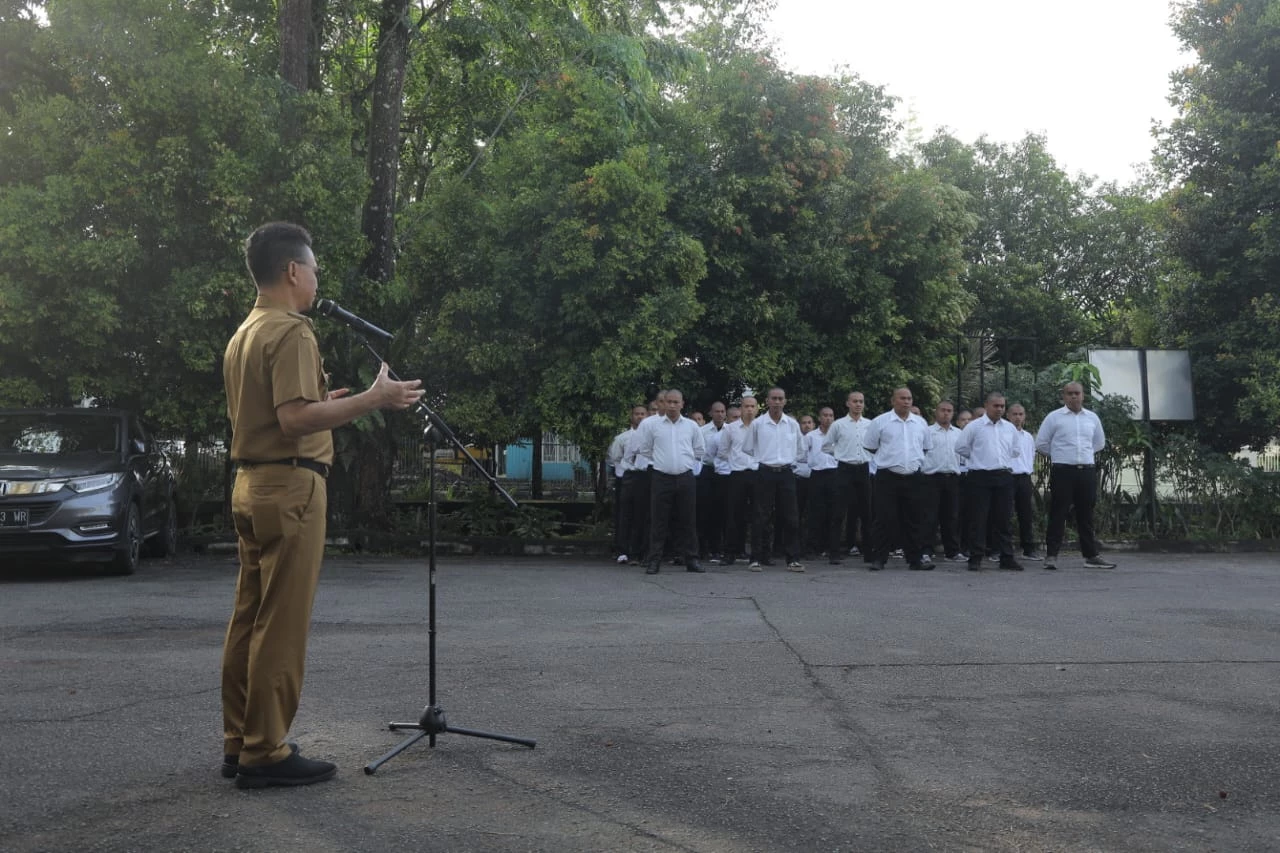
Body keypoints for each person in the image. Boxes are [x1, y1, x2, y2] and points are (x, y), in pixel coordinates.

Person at [222, 222, 424, 789]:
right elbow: (294, 421)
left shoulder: (247, 331)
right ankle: (266, 752)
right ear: (292, 271)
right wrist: (373, 399)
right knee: (281, 624)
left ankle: (239, 741)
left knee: (249, 620)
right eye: (313, 269)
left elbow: (283, 412)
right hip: (290, 489)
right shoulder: (292, 330)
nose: (316, 278)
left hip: (252, 485)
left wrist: (329, 403)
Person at [1035, 382, 1117, 570]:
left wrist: (1082, 456)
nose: (1073, 396)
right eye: (1069, 393)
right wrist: (1060, 455)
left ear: (1083, 395)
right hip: (1062, 471)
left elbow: (1099, 443)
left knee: (1086, 514)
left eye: (1077, 393)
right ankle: (1051, 555)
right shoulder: (1054, 417)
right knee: (1058, 513)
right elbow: (1041, 443)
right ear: (1063, 396)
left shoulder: (1092, 418)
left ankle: (1091, 556)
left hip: (1086, 471)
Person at [634, 389, 705, 574]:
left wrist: (684, 463)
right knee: (658, 521)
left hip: (685, 477)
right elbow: (645, 449)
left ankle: (692, 559)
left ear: (682, 404)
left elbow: (699, 450)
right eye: (669, 402)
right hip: (661, 477)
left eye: (676, 402)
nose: (672, 406)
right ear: (663, 404)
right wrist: (662, 461)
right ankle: (654, 561)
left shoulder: (691, 426)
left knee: (688, 520)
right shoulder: (653, 426)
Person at [862, 388, 932, 571]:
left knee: (914, 519)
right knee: (883, 519)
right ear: (893, 401)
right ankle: (879, 559)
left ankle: (915, 560)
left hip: (913, 477)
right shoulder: (880, 421)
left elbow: (925, 447)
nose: (906, 401)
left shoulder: (920, 422)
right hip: (888, 476)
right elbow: (870, 446)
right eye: (902, 398)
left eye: (909, 398)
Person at [955, 392, 1023, 572]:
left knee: (1004, 519)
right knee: (978, 518)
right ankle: (976, 557)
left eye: (1002, 406)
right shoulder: (974, 426)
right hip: (980, 476)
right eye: (996, 406)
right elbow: (961, 447)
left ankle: (1006, 557)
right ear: (986, 406)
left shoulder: (1009, 428)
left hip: (1004, 476)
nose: (999, 409)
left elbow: (1015, 450)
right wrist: (979, 457)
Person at [743, 387, 807, 572]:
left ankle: (793, 559)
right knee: (760, 516)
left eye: (780, 398)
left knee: (791, 517)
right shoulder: (758, 424)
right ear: (767, 401)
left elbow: (801, 449)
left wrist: (788, 460)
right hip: (765, 472)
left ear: (785, 401)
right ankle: (755, 558)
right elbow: (748, 448)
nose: (777, 402)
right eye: (774, 398)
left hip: (786, 473)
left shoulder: (792, 424)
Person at [823, 391, 873, 561]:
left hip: (863, 468)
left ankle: (869, 553)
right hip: (844, 469)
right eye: (855, 401)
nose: (858, 404)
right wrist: (840, 453)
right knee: (838, 512)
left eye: (861, 401)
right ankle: (834, 553)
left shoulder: (870, 424)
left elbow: (876, 444)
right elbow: (826, 446)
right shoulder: (838, 424)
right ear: (848, 403)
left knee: (866, 512)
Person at [920, 400, 964, 564]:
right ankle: (926, 550)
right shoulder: (927, 432)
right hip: (931, 478)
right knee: (929, 516)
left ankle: (952, 552)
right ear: (936, 412)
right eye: (943, 410)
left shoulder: (958, 433)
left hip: (952, 477)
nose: (946, 413)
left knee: (951, 516)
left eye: (949, 410)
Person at [717, 396, 758, 566]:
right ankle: (730, 553)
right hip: (737, 474)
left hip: (757, 474)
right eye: (746, 406)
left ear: (757, 409)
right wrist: (736, 460)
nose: (749, 409)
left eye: (752, 406)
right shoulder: (731, 429)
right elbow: (723, 451)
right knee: (733, 515)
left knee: (759, 515)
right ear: (741, 408)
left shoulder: (762, 427)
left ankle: (759, 554)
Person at [609, 404, 650, 565]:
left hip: (646, 476)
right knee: (625, 515)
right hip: (629, 477)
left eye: (643, 414)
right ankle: (622, 550)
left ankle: (639, 551)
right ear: (631, 416)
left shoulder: (651, 437)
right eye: (636, 414)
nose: (640, 417)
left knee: (642, 515)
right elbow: (615, 457)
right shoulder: (622, 438)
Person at [806, 407, 842, 564]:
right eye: (825, 415)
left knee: (834, 513)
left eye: (831, 415)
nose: (828, 418)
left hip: (835, 474)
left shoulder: (839, 436)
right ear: (819, 418)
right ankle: (813, 548)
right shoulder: (811, 436)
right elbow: (802, 453)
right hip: (817, 474)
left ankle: (833, 549)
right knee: (815, 512)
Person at [1006, 404, 1042, 561]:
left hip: (1024, 477)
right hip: (1008, 476)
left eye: (1021, 414)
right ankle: (1001, 549)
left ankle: (1028, 549)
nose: (1018, 417)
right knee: (1004, 514)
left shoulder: (1028, 437)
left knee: (1026, 514)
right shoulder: (1004, 434)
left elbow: (1030, 456)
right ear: (1008, 416)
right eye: (1014, 414)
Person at [697, 401, 729, 562]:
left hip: (724, 473)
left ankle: (718, 548)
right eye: (717, 411)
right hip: (707, 471)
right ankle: (703, 549)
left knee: (720, 511)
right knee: (704, 510)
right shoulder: (702, 431)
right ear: (710, 413)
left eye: (722, 411)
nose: (720, 414)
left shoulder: (730, 430)